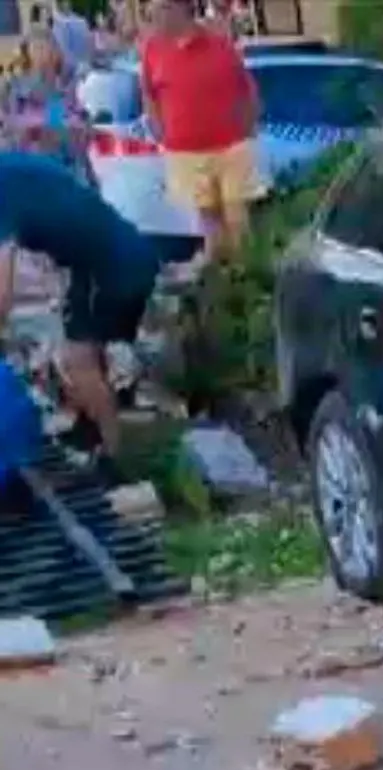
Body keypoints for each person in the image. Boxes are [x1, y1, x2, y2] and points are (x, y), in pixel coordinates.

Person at [0, 151, 162, 480]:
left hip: (113, 268)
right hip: (110, 257)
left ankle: (115, 459)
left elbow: (2, 287)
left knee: (78, 361)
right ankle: (93, 429)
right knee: (81, 350)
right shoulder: (15, 164)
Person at [139, 0, 260, 262]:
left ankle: (246, 275)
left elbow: (246, 88)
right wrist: (158, 128)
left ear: (179, 9)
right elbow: (148, 93)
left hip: (229, 146)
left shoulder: (218, 43)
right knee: (209, 224)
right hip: (185, 152)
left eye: (158, 12)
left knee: (237, 217)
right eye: (150, 14)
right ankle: (221, 282)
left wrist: (248, 127)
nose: (153, 20)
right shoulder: (152, 49)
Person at [2, 26, 94, 183]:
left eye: (44, 48)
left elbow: (63, 133)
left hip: (56, 169)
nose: (41, 54)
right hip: (27, 169)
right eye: (36, 49)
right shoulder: (16, 87)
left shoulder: (63, 91)